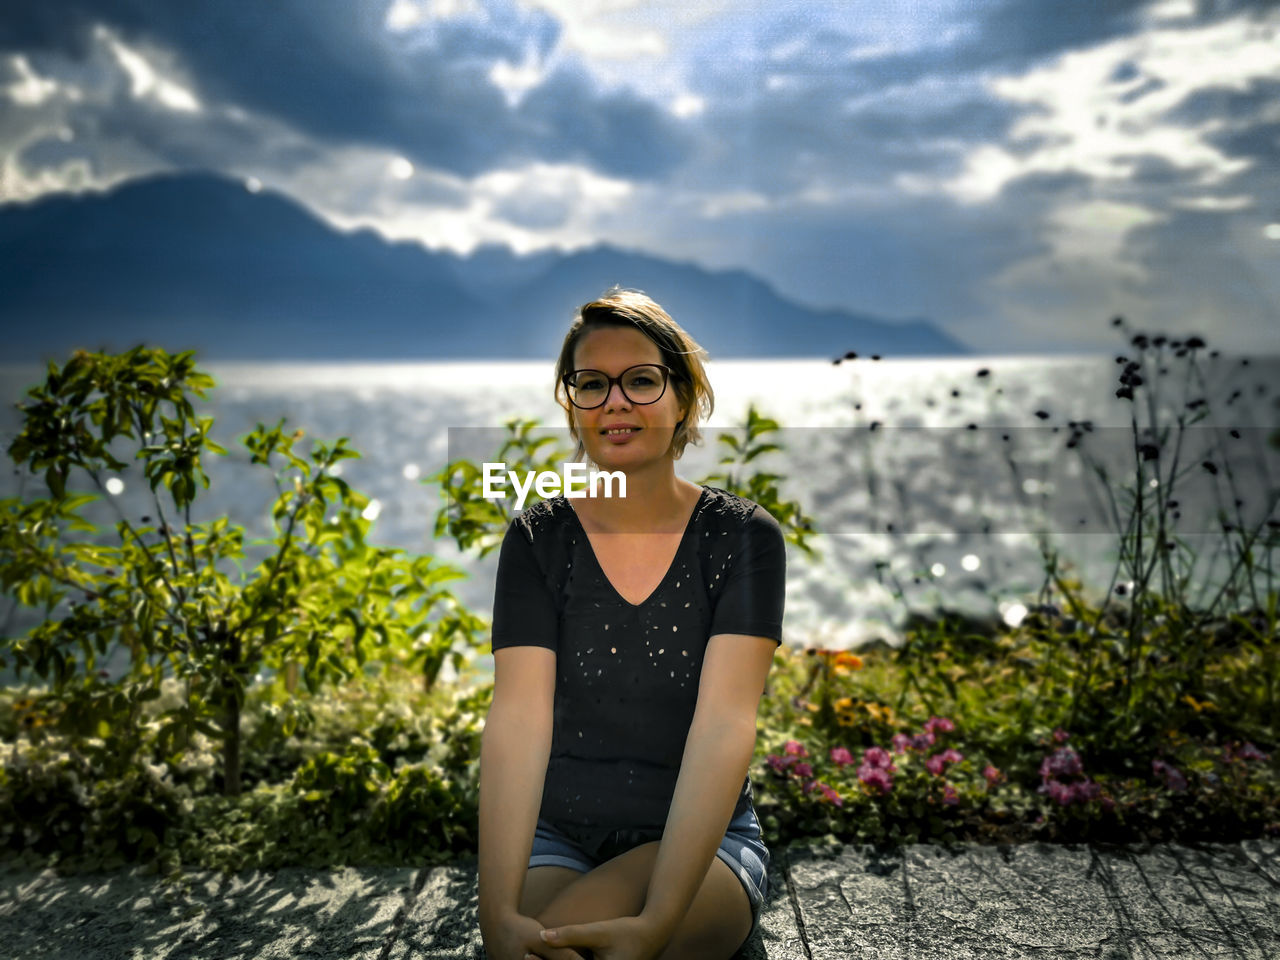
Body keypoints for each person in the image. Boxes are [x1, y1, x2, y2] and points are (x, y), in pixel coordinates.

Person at [476, 288, 786, 960]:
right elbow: (518, 719)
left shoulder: (741, 538)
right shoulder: (537, 538)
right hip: (554, 839)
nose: (615, 401)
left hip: (701, 846)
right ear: (573, 405)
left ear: (684, 397)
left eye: (641, 380)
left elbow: (725, 725)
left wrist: (656, 924)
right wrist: (495, 914)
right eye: (591, 384)